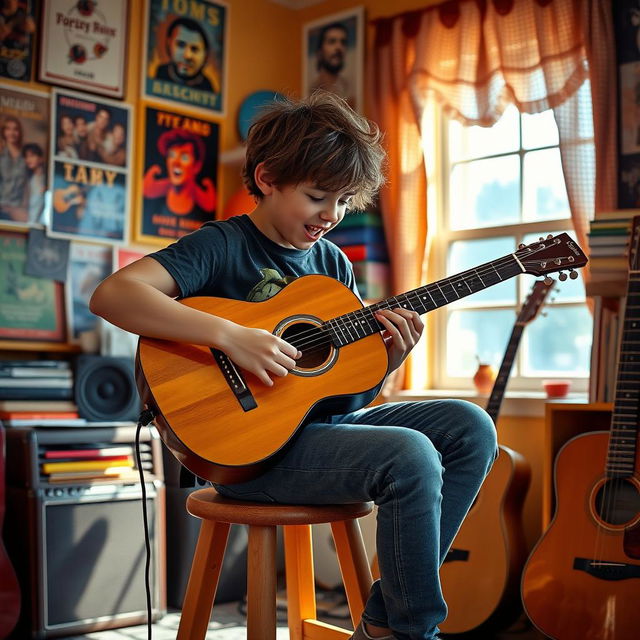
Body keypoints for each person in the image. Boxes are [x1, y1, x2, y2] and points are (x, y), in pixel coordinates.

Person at [90, 91, 497, 640]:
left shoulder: (332, 265)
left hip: (319, 435)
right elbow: (114, 295)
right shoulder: (221, 245)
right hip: (248, 455)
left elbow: (338, 394)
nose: (331, 216)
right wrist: (231, 336)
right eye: (316, 196)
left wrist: (388, 361)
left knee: (471, 427)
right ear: (266, 178)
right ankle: (411, 630)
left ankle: (383, 620)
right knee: (410, 452)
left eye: (345, 201)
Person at [142, 127, 216, 216]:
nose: (176, 162)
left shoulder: (204, 212)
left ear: (197, 166)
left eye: (184, 157)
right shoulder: (151, 204)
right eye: (172, 155)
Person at [154, 16, 215, 92]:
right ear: (169, 43)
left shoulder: (207, 88)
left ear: (205, 55)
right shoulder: (160, 73)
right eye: (181, 45)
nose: (187, 55)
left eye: (194, 49)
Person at [310, 22, 355, 108]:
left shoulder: (349, 89)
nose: (339, 47)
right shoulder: (311, 90)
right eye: (332, 41)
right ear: (319, 52)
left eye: (343, 42)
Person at [0, 114, 28, 221]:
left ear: (19, 132)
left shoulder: (27, 156)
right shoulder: (1, 155)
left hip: (19, 210)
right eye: (8, 129)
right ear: (3, 132)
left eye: (15, 129)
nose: (12, 133)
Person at [22, 142, 45, 224]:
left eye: (32, 156)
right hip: (30, 222)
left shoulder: (46, 179)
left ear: (40, 158)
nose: (28, 160)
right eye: (26, 157)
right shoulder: (29, 180)